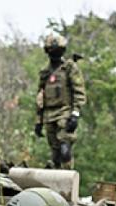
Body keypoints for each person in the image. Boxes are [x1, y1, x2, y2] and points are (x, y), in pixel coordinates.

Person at [34, 34, 86, 169]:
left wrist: (75, 113)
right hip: (49, 115)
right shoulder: (45, 72)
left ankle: (68, 181)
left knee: (65, 149)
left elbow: (79, 91)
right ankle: (57, 183)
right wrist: (38, 121)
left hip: (65, 112)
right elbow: (40, 96)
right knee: (55, 154)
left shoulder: (69, 68)